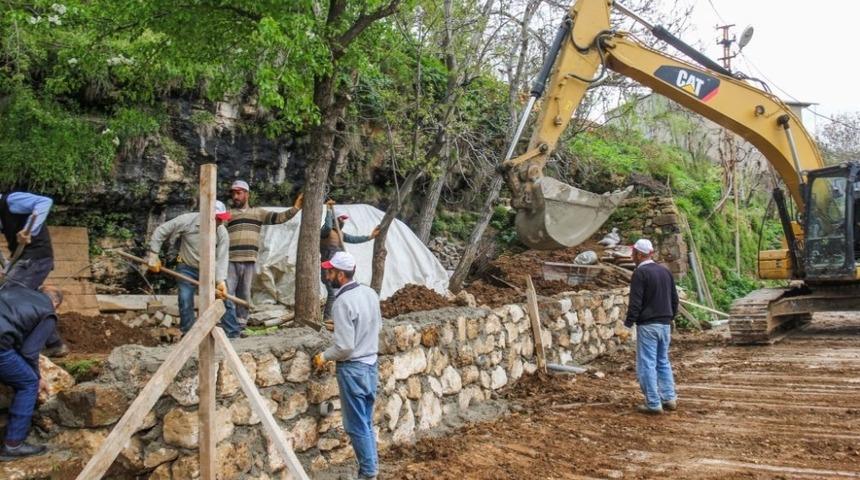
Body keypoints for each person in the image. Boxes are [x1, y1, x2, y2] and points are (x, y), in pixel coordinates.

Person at [313, 252, 381, 480]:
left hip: (353, 368)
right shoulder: (369, 293)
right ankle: (371, 469)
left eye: (330, 271)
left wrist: (324, 356)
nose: (326, 274)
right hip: (371, 365)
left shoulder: (342, 302)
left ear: (341, 275)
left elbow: (344, 347)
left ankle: (369, 473)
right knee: (366, 422)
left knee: (355, 425)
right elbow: (373, 325)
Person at [147, 201, 238, 337]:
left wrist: (220, 281)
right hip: (187, 267)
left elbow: (222, 258)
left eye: (222, 219)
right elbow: (161, 231)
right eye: (217, 218)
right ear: (208, 216)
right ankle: (188, 334)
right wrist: (154, 254)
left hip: (210, 270)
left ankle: (232, 333)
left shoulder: (221, 232)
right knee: (185, 298)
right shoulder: (187, 221)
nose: (220, 222)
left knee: (225, 298)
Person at [226, 180, 303, 329]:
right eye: (233, 193)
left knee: (244, 293)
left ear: (246, 194)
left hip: (249, 260)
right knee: (228, 293)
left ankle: (241, 325)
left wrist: (296, 207)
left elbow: (279, 218)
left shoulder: (258, 213)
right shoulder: (228, 215)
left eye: (239, 193)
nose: (235, 196)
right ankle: (229, 325)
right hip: (230, 260)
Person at [0, 285, 63, 461]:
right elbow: (29, 351)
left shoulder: (15, 290)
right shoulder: (48, 312)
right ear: (56, 303)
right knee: (28, 383)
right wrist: (36, 376)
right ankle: (13, 445)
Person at [0, 192, 67, 358]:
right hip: (24, 258)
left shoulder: (10, 200)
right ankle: (52, 344)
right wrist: (6, 265)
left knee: (9, 295)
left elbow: (45, 201)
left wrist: (27, 229)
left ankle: (51, 344)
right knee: (21, 297)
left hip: (36, 257)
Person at [624, 238, 679, 414]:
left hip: (648, 325)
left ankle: (653, 403)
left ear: (640, 254)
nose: (632, 256)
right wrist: (670, 317)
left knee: (647, 363)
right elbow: (674, 299)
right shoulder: (665, 271)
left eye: (633, 253)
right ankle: (669, 398)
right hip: (665, 324)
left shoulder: (640, 274)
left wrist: (628, 323)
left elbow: (636, 302)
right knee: (663, 361)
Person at [319, 202, 380, 321]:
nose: (343, 221)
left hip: (339, 270)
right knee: (332, 294)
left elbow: (354, 239)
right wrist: (329, 210)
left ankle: (338, 317)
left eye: (344, 219)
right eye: (340, 219)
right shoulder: (325, 232)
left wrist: (370, 237)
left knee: (341, 294)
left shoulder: (340, 234)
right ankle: (327, 319)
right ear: (333, 219)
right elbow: (327, 226)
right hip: (328, 269)